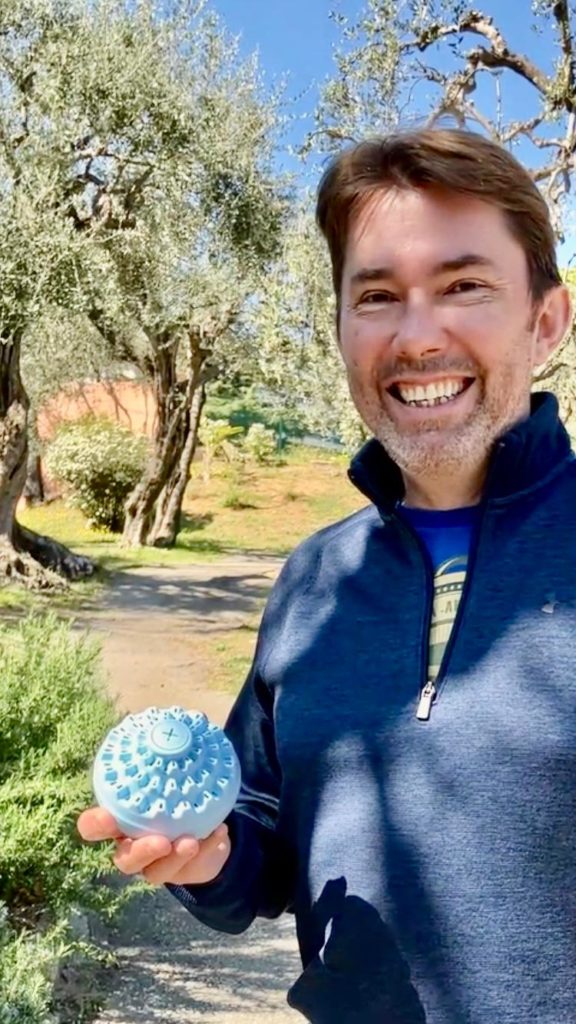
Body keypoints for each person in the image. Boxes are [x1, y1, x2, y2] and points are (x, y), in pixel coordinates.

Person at [78, 128, 576, 1023]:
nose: (418, 335)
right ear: (344, 329)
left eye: (465, 285)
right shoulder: (315, 575)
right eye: (378, 296)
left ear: (546, 320)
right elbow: (263, 836)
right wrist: (207, 854)